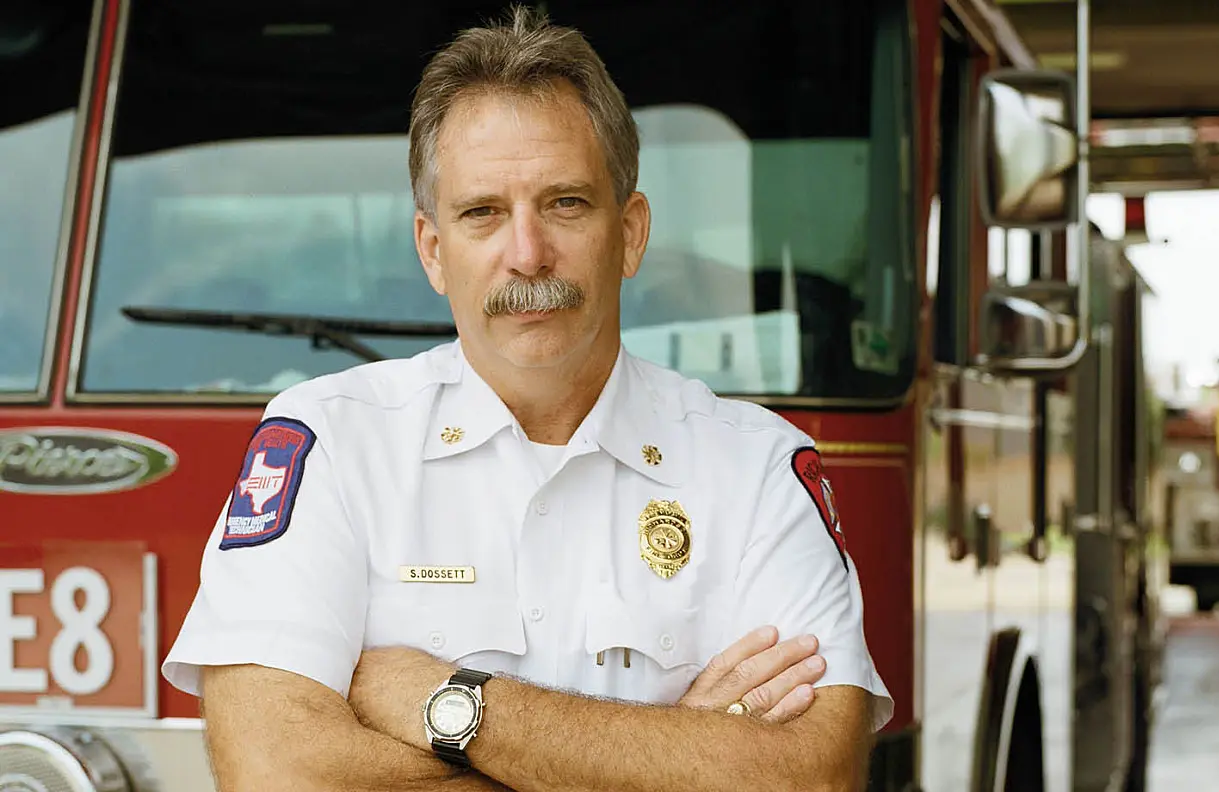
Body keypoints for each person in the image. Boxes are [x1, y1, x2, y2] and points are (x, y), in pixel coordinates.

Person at [162, 6, 892, 790]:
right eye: (482, 213)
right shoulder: (332, 443)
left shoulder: (754, 469)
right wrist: (679, 751)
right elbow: (279, 775)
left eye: (565, 204)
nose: (527, 253)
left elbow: (807, 778)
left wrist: (444, 702)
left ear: (631, 232)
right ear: (434, 252)